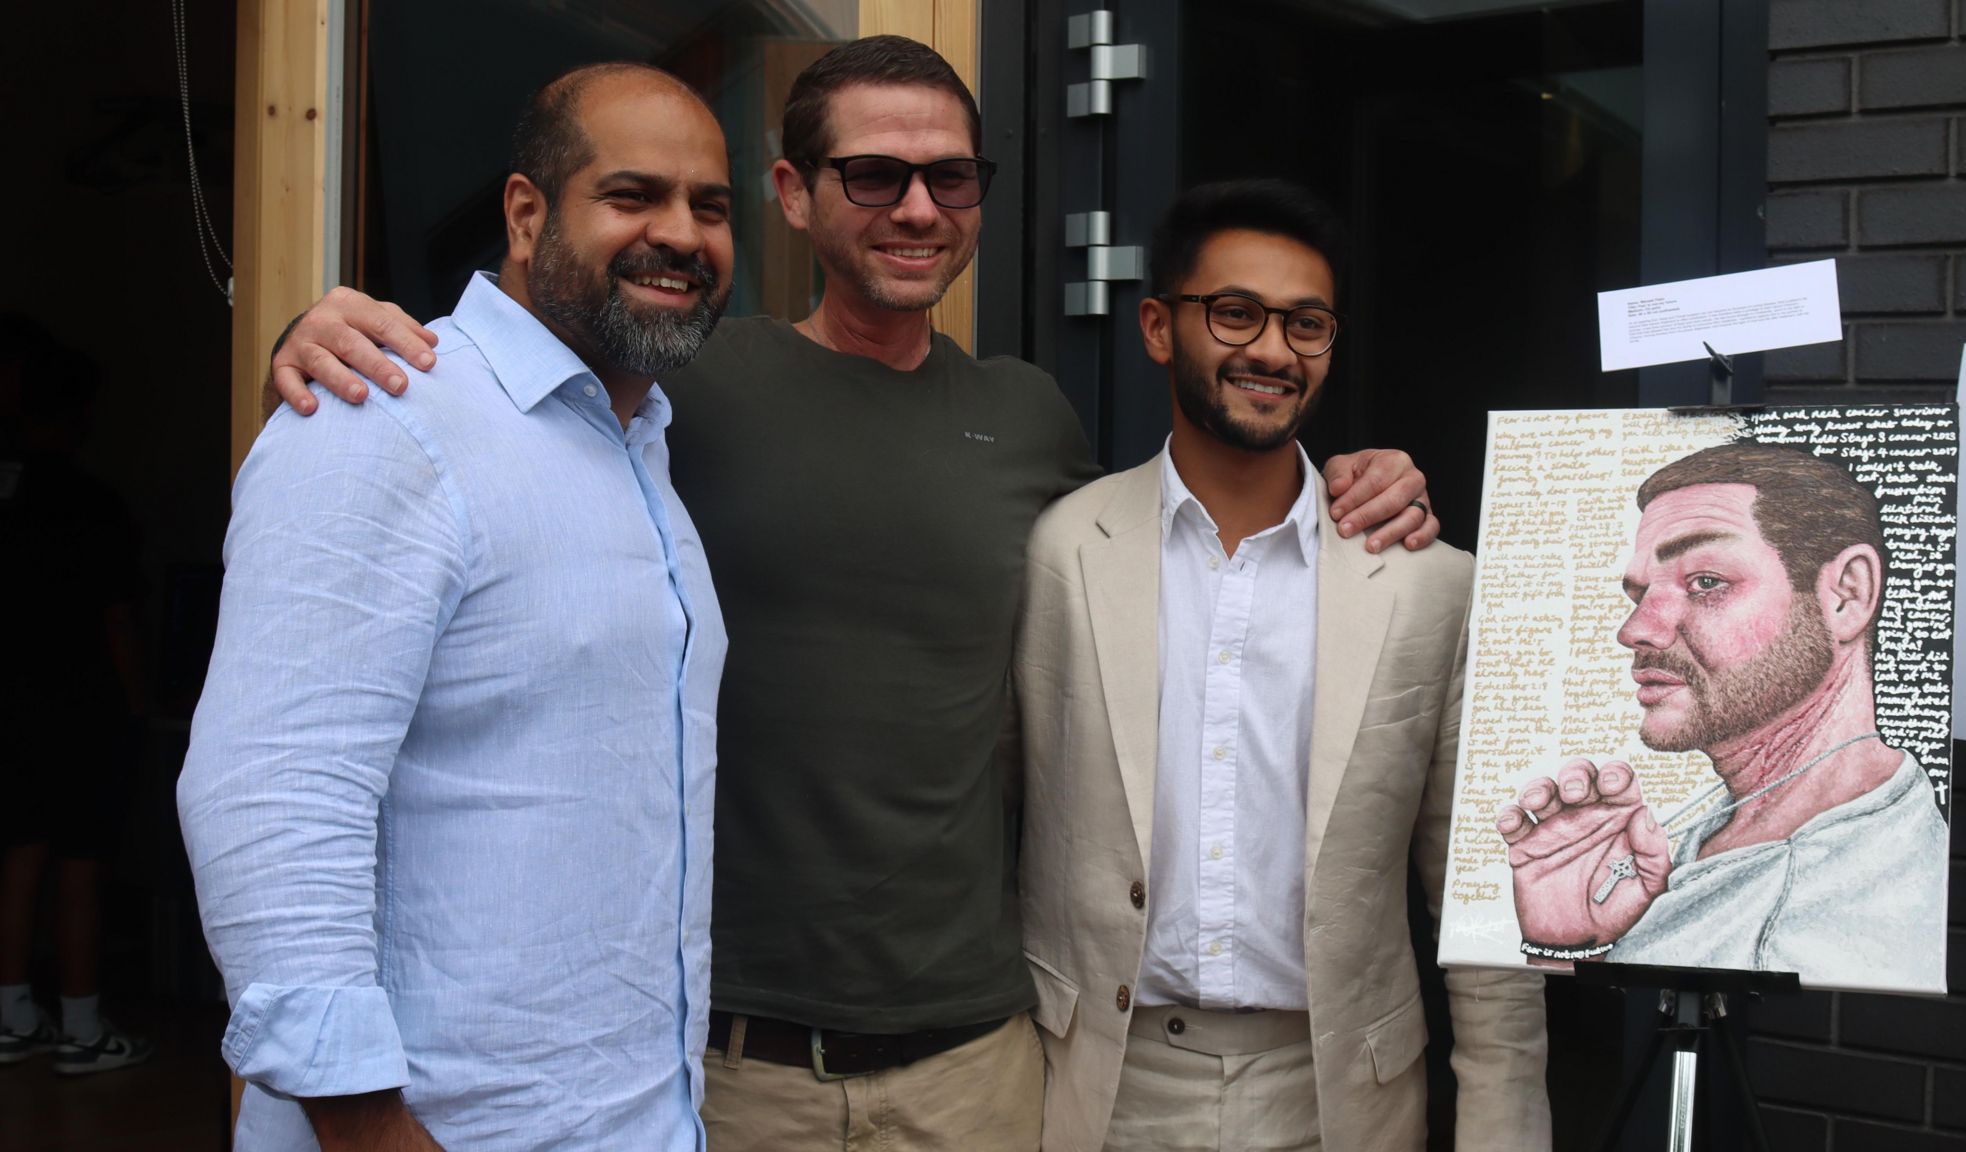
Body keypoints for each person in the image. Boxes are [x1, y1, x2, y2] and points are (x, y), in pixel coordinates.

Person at [267, 37, 1439, 1151]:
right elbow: (512, 391)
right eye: (873, 175)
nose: (918, 209)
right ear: (790, 191)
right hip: (732, 1060)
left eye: (949, 178)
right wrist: (326, 331)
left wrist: (1351, 478)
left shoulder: (1029, 419)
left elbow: (1175, 555)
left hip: (978, 1057)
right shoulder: (683, 383)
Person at [178, 64, 732, 1150]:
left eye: (708, 208)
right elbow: (274, 793)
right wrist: (365, 1124)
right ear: (525, 214)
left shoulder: (641, 449)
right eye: (633, 196)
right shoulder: (381, 412)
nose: (681, 233)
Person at [1013, 181, 1548, 1152]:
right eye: (1233, 313)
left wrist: (1501, 1123)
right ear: (1155, 327)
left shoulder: (1423, 583)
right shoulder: (1060, 552)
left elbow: (1481, 891)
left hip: (1339, 1096)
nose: (1270, 350)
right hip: (1100, 1089)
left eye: (1305, 323)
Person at [1497, 442, 1945, 989]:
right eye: (1639, 593)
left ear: (1847, 596)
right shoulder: (1745, 821)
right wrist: (1569, 944)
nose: (1636, 630)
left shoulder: (1817, 917)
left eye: (1706, 582)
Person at [0, 325, 153, 1074]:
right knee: (81, 863)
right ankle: (84, 1027)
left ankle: (11, 1014)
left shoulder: (10, 498)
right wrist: (138, 708)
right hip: (83, 706)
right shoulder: (93, 504)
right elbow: (117, 617)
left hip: (14, 703)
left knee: (20, 855)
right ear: (83, 413)